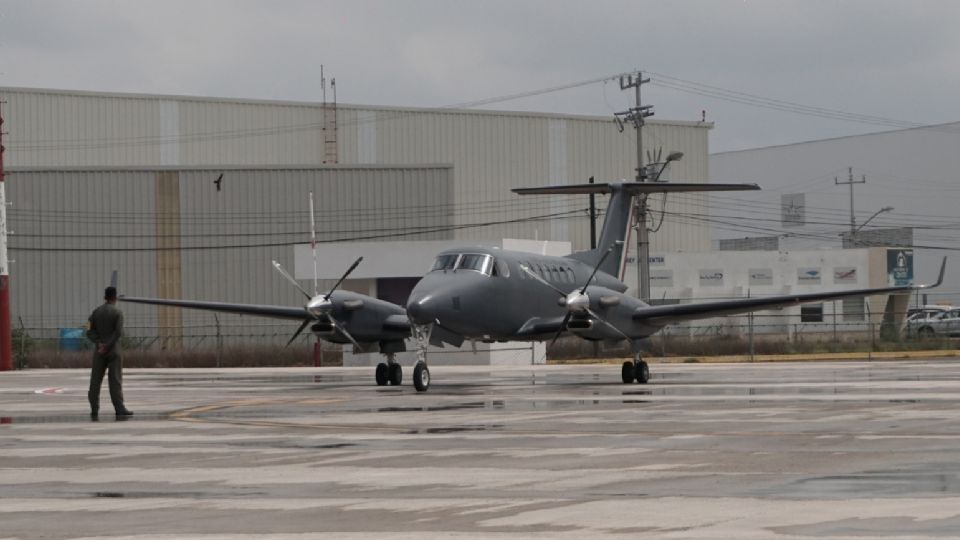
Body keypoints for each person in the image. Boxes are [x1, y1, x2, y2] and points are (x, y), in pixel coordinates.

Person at [86, 286, 132, 418]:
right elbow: (118, 332)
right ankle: (119, 408)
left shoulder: (95, 312)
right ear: (115, 297)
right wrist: (108, 345)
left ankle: (94, 408)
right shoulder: (118, 313)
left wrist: (99, 343)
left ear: (105, 297)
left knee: (95, 381)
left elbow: (89, 330)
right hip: (114, 351)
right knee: (115, 381)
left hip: (99, 351)